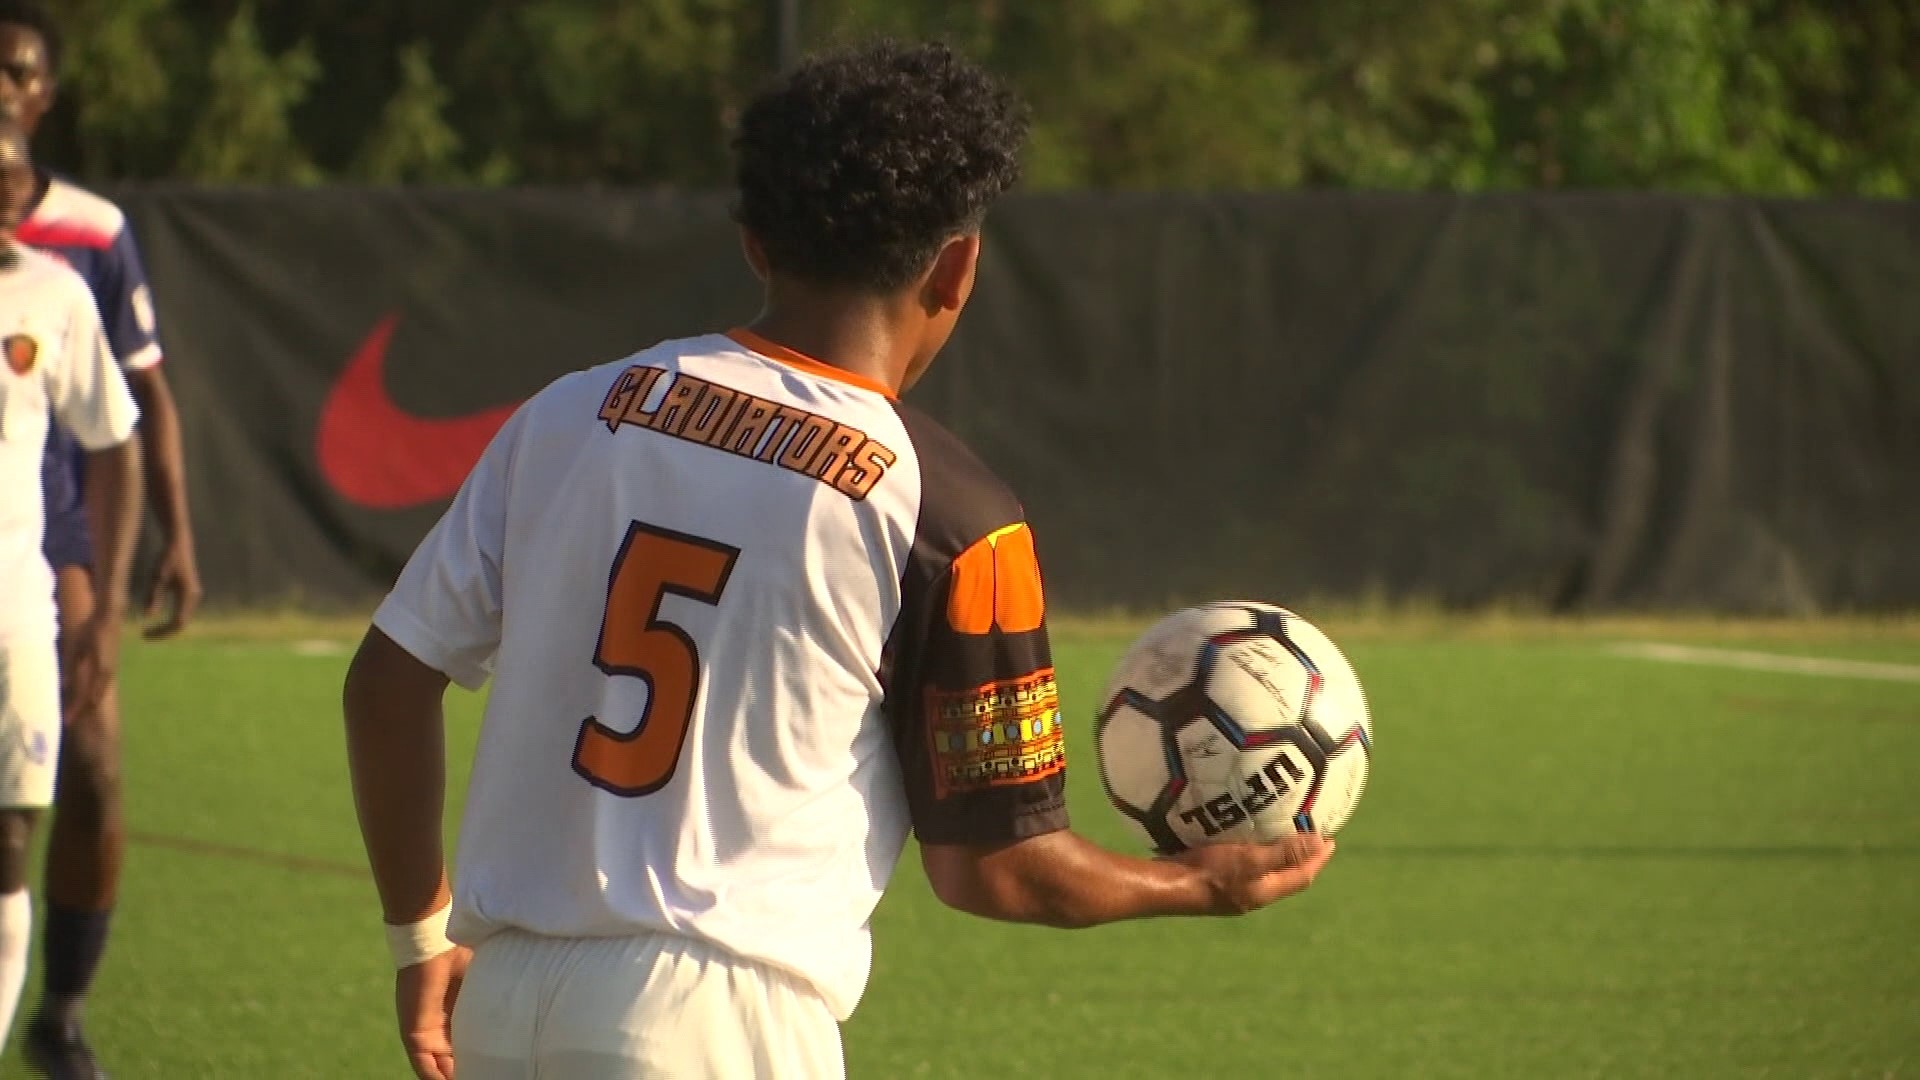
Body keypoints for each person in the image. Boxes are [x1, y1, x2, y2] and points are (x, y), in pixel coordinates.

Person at [343, 39, 1334, 1080]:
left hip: (504, 1005)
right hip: (720, 1026)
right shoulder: (953, 516)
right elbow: (996, 869)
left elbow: (387, 681)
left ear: (755, 243)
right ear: (958, 267)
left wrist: (420, 936)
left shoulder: (569, 411)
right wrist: (1196, 886)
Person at [0, 4, 202, 1073]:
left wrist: (174, 537)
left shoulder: (89, 231)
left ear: (46, 95)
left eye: (18, 71)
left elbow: (140, 401)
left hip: (54, 527)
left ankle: (61, 1011)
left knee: (96, 760)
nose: (2, 84)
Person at [0, 119, 139, 1068]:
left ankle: (47, 1021)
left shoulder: (54, 293)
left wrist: (109, 602)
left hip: (20, 594)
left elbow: (116, 434)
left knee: (15, 828)